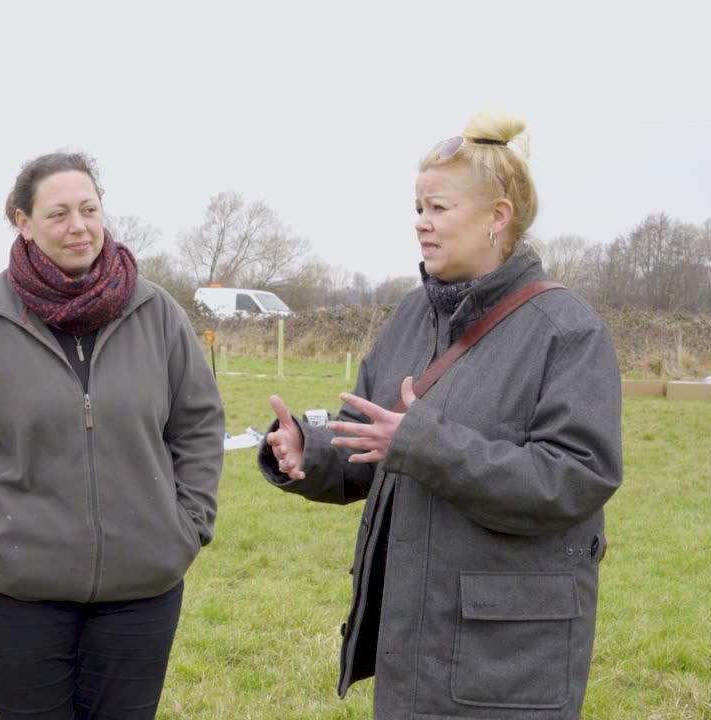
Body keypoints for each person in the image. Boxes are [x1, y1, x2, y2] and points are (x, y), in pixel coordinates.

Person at [260, 109, 622, 719]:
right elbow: (373, 445)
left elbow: (576, 478)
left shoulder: (567, 330)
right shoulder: (409, 316)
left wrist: (424, 445)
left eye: (439, 208)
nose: (421, 224)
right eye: (418, 207)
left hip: (509, 655)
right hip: (410, 642)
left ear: (497, 218)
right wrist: (309, 452)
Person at [0, 151, 225, 720]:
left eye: (89, 209)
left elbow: (199, 421)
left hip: (142, 587)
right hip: (13, 590)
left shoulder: (156, 313)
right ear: (23, 222)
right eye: (58, 214)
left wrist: (187, 523)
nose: (78, 225)